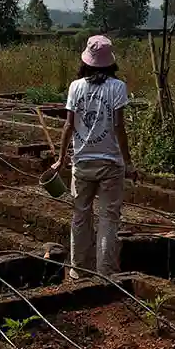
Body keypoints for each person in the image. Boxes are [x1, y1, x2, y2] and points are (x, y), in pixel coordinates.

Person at [55, 34, 135, 279]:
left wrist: (61, 158)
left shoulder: (75, 87)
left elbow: (68, 126)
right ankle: (105, 272)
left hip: (82, 161)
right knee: (108, 218)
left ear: (86, 62)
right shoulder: (117, 88)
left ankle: (78, 271)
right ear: (110, 63)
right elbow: (119, 127)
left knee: (80, 215)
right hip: (110, 162)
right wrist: (129, 162)